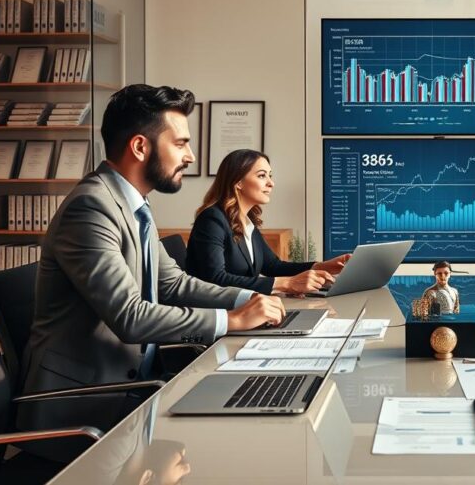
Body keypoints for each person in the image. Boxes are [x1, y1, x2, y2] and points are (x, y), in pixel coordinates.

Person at [18, 85, 287, 459]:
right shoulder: (91, 208)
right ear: (141, 147)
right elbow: (129, 317)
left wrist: (252, 299)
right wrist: (232, 319)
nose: (191, 156)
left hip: (138, 389)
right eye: (180, 144)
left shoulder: (134, 205)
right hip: (86, 411)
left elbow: (172, 283)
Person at [186, 149, 350, 294]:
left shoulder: (247, 222)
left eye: (269, 176)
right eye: (262, 176)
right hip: (218, 315)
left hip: (243, 308)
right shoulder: (212, 220)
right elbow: (215, 279)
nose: (271, 183)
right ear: (238, 182)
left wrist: (322, 266)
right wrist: (286, 284)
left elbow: (273, 266)